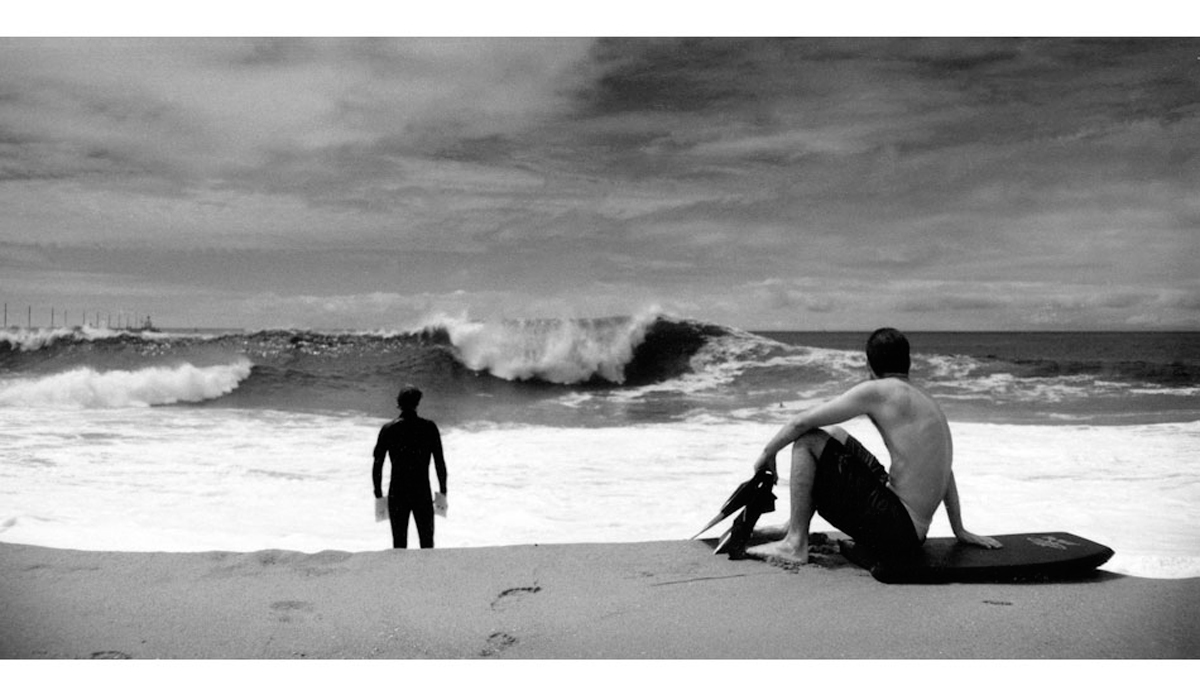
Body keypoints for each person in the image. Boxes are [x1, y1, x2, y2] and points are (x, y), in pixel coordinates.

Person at [746, 327, 1001, 564]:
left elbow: (800, 423)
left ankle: (794, 542)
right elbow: (944, 469)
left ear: (868, 363)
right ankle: (795, 524)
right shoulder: (925, 399)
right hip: (910, 530)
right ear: (907, 362)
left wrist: (767, 454)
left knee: (809, 440)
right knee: (833, 433)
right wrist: (959, 529)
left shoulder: (877, 390)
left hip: (896, 531)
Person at [372, 385, 448, 549]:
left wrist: (378, 492)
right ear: (417, 403)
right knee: (427, 542)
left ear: (399, 403)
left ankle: (400, 575)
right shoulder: (429, 428)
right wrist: (443, 490)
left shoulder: (389, 429)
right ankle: (426, 574)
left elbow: (378, 463)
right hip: (421, 490)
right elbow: (439, 462)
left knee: (399, 544)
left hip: (397, 491)